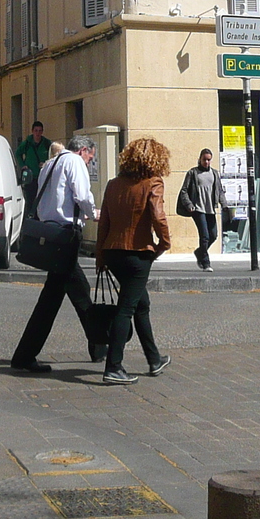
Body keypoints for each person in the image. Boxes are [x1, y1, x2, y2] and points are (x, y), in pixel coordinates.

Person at [10, 135, 103, 373]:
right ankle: (24, 355)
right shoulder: (73, 162)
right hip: (65, 237)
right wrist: (93, 213)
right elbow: (82, 196)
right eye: (90, 158)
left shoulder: (49, 164)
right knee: (53, 301)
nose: (89, 163)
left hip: (52, 236)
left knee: (76, 291)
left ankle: (99, 346)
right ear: (83, 150)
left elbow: (44, 203)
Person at [95, 137, 173, 385]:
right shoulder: (153, 183)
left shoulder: (113, 184)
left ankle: (154, 358)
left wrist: (100, 255)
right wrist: (164, 243)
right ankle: (113, 367)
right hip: (138, 252)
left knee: (141, 304)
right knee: (126, 308)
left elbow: (104, 223)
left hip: (113, 251)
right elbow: (158, 216)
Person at [177, 148, 227, 271]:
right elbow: (184, 191)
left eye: (209, 160)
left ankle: (200, 252)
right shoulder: (192, 173)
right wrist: (189, 204)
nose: (206, 162)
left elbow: (219, 191)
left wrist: (224, 205)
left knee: (213, 235)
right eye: (204, 159)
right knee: (204, 236)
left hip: (210, 208)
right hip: (198, 209)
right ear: (200, 159)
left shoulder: (214, 173)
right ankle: (205, 263)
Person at [15, 121, 50, 203]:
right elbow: (18, 154)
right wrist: (22, 165)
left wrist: (46, 163)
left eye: (40, 131)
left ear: (42, 132)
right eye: (36, 130)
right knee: (30, 199)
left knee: (42, 200)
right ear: (32, 131)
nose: (38, 133)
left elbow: (53, 156)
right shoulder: (27, 143)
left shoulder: (46, 143)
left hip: (42, 176)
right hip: (30, 177)